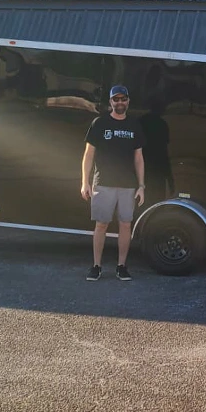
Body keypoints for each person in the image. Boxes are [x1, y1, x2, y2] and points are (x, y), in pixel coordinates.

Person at [81, 85, 145, 281]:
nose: (119, 103)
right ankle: (96, 266)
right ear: (110, 102)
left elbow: (139, 158)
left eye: (123, 99)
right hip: (103, 183)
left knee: (125, 225)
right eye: (115, 99)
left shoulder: (134, 125)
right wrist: (85, 182)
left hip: (128, 185)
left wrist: (141, 185)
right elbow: (88, 155)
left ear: (128, 101)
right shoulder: (99, 123)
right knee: (101, 225)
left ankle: (121, 266)